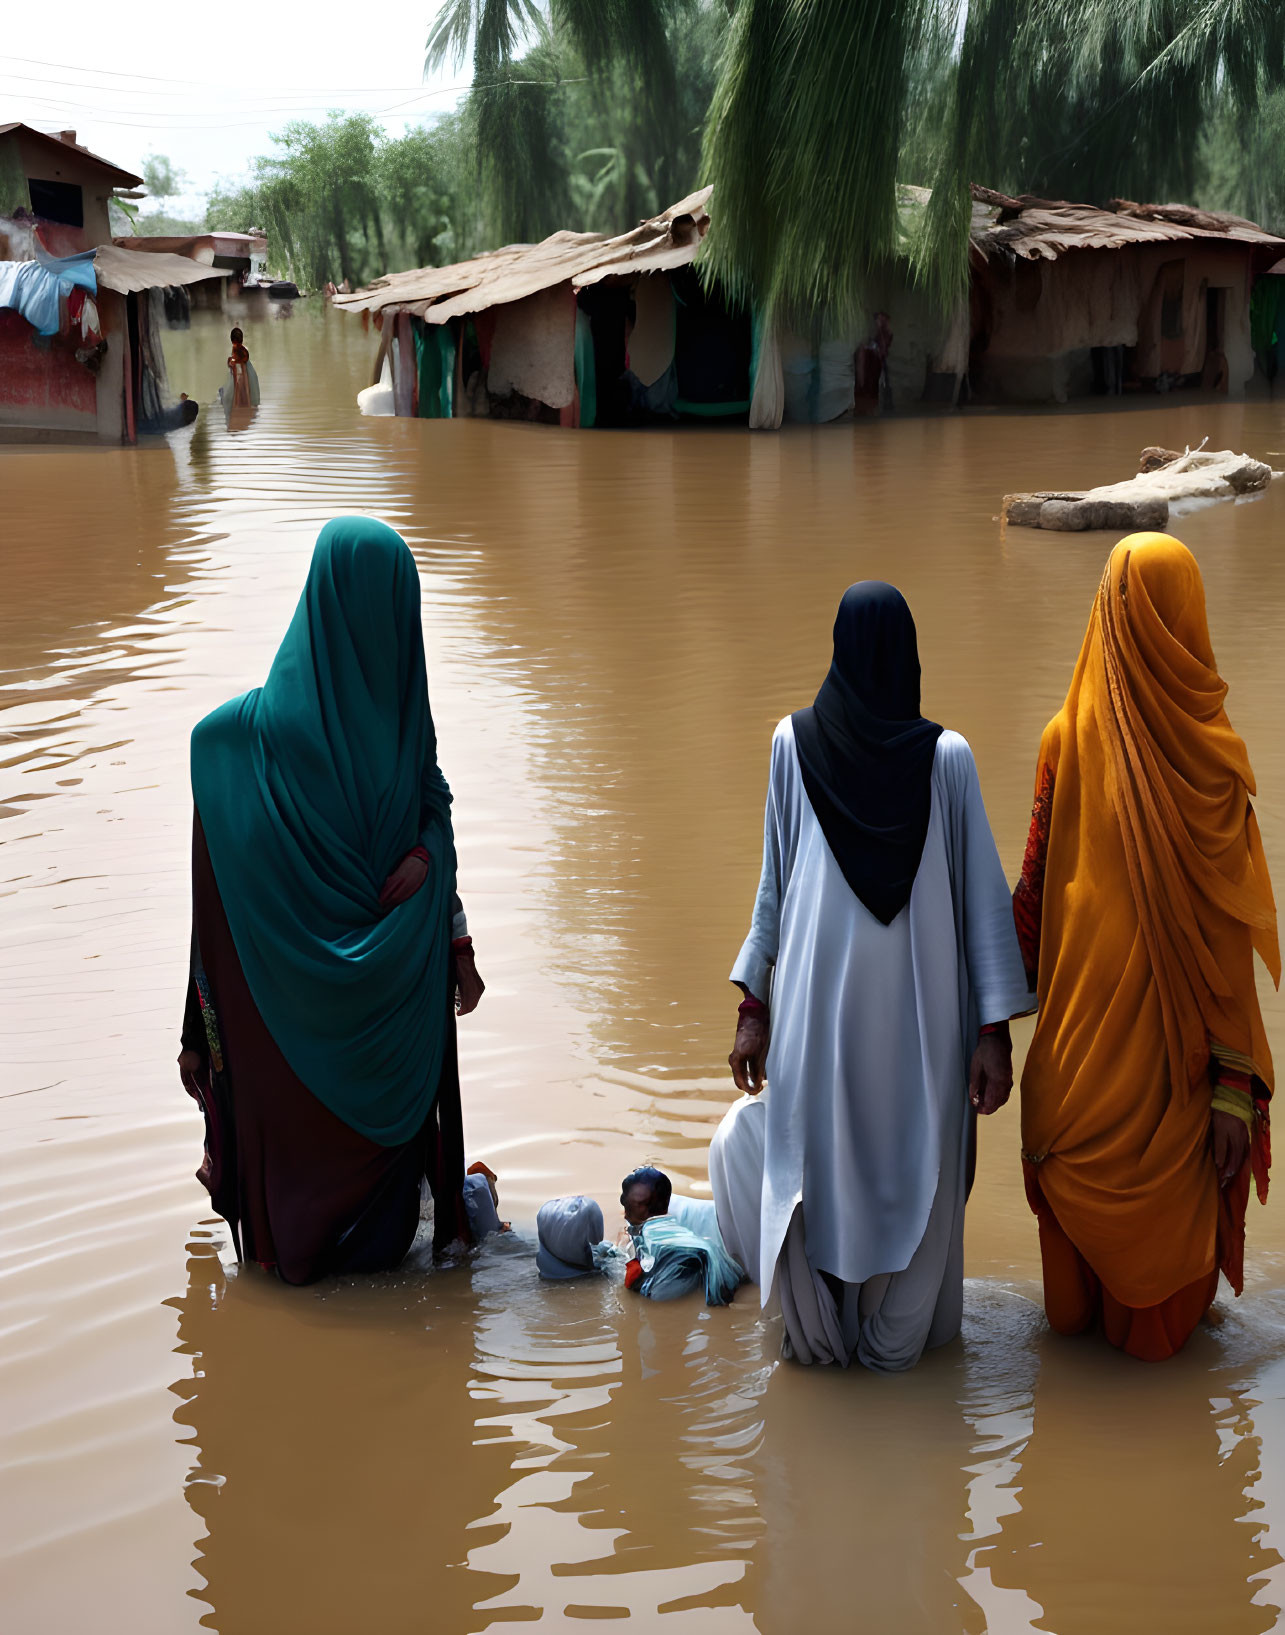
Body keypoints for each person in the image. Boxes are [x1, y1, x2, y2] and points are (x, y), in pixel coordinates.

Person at [713, 582, 1032, 1370]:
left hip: (821, 1012)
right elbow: (777, 878)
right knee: (855, 1167)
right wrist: (752, 998)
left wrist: (760, 1007)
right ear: (908, 657)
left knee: (866, 1161)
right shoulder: (795, 745)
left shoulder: (942, 759)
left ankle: (849, 1349)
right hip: (918, 1018)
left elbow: (975, 898)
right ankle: (862, 1342)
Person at [177, 517, 485, 1284]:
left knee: (312, 1252)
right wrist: (446, 921)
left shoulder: (244, 746)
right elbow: (216, 910)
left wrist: (424, 857)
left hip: (298, 1025)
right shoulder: (238, 747)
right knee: (381, 1259)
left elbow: (433, 804)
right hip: (382, 1025)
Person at [1014, 533, 1277, 1360]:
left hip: (1071, 1088)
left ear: (1106, 611)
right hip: (1173, 1101)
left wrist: (984, 1026)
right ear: (1189, 618)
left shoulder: (1064, 738)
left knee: (1066, 1330)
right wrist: (1234, 1088)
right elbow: (1229, 945)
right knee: (1159, 1347)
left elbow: (1029, 905)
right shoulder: (1216, 764)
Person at [536, 1196, 617, 1280]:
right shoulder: (588, 1206)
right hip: (581, 1275)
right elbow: (596, 1240)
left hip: (549, 1272)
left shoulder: (546, 1209)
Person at [223, 326, 260, 408]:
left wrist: (233, 361)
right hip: (242, 371)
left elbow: (242, 359)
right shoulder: (240, 349)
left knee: (240, 388)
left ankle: (240, 402)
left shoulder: (241, 350)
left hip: (242, 370)